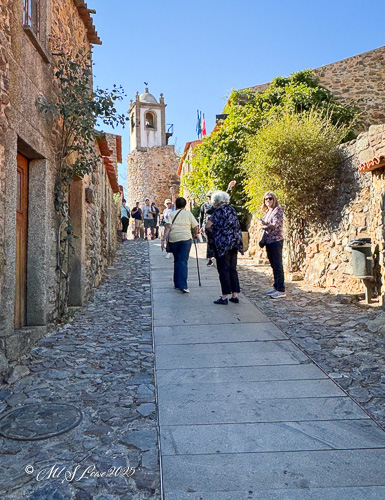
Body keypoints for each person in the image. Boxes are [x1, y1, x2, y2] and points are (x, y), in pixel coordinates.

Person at [205, 190, 243, 305]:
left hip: (222, 244)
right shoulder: (232, 210)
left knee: (223, 269)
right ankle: (235, 294)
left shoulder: (218, 212)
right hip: (234, 242)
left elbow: (208, 226)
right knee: (232, 268)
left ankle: (224, 296)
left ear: (216, 201)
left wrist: (213, 235)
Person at [161, 197, 199, 293]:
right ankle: (183, 285)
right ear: (184, 205)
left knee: (177, 260)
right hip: (185, 239)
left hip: (174, 239)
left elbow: (168, 227)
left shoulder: (172, 214)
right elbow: (195, 226)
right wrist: (195, 234)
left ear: (176, 204)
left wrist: (163, 239)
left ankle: (177, 283)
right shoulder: (188, 214)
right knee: (183, 261)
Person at [260, 191, 286, 299]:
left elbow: (275, 225)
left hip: (276, 240)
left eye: (270, 198)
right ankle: (276, 286)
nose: (268, 201)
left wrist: (264, 227)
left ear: (274, 199)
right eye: (266, 199)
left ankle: (281, 289)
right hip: (269, 241)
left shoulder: (277, 210)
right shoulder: (268, 212)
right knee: (273, 265)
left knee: (278, 265)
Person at [199, 192, 215, 267]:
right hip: (207, 226)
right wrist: (200, 227)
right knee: (209, 241)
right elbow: (201, 217)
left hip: (216, 225)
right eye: (209, 197)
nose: (209, 198)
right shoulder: (204, 206)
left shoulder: (216, 205)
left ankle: (216, 255)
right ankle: (210, 258)